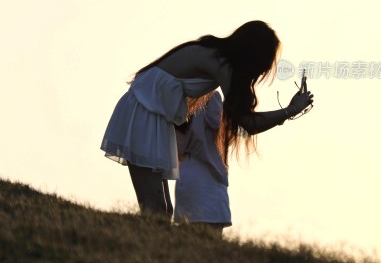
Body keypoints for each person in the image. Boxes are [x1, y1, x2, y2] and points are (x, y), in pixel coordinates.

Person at [100, 20, 313, 218]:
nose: (265, 69)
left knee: (163, 211)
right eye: (265, 61)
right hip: (143, 113)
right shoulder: (219, 64)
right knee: (155, 209)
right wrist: (290, 110)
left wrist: (289, 111)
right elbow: (248, 123)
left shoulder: (215, 55)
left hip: (152, 115)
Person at [174, 91, 231, 237]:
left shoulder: (180, 99)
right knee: (211, 243)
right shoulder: (211, 97)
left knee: (188, 241)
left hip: (185, 174)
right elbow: (220, 124)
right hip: (207, 177)